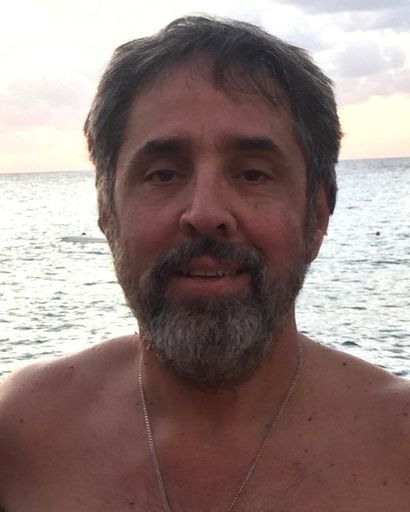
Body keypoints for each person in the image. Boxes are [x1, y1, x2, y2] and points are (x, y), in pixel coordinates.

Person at [0, 15, 408, 512]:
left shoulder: (398, 447)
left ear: (317, 214)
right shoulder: (20, 437)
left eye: (253, 174)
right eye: (163, 174)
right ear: (107, 212)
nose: (205, 213)